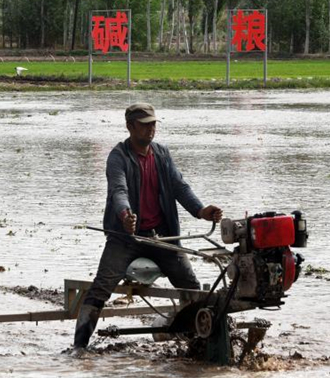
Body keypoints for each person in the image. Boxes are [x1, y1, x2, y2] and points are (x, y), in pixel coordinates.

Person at [72, 102, 223, 349]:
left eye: (153, 124)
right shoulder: (118, 157)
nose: (150, 129)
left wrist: (201, 211)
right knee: (100, 289)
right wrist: (125, 215)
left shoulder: (162, 154)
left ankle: (197, 343)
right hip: (125, 237)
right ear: (130, 126)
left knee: (192, 288)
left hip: (161, 237)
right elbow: (118, 190)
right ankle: (79, 349)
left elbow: (180, 187)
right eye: (144, 125)